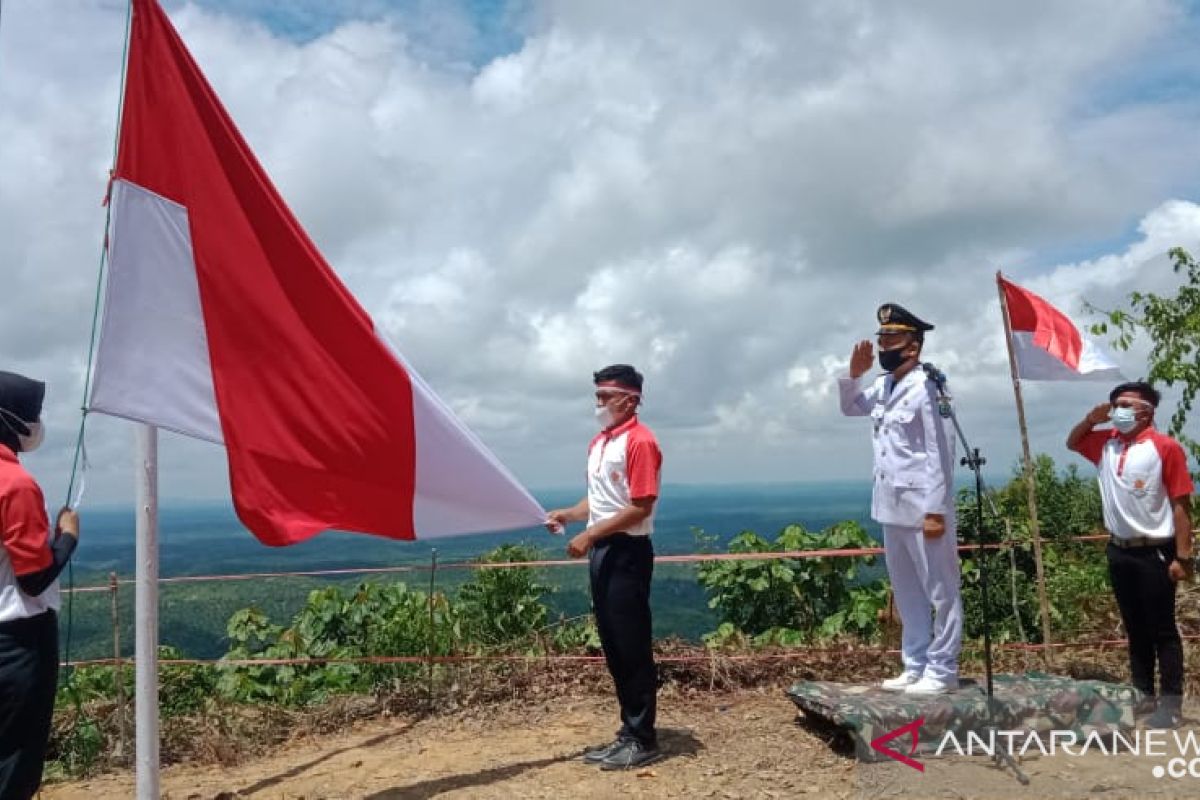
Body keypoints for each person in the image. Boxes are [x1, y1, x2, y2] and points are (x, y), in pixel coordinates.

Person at [838, 304, 962, 695]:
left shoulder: (929, 386)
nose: (883, 345)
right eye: (881, 338)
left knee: (941, 591)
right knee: (907, 590)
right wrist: (853, 375)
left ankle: (942, 670)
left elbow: (941, 450)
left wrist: (936, 509)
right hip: (891, 506)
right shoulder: (884, 385)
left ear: (914, 345)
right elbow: (850, 407)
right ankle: (916, 663)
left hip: (923, 507)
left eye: (891, 338)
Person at [546, 364, 663, 770]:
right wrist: (569, 514)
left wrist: (591, 535)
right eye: (597, 397)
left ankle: (643, 737)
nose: (598, 405)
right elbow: (599, 500)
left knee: (631, 644)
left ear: (629, 399)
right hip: (604, 552)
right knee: (614, 644)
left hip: (627, 553)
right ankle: (628, 733)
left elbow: (641, 505)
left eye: (604, 398)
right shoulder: (600, 443)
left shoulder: (640, 442)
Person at [1067, 381, 1194, 729]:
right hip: (1119, 549)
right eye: (1114, 404)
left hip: (1155, 549)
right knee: (1135, 628)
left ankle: (1170, 705)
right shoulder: (1106, 443)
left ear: (1146, 410)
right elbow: (1073, 441)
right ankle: (1142, 695)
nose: (1117, 410)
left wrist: (1183, 557)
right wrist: (1090, 419)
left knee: (1162, 631)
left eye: (1125, 404)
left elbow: (1181, 503)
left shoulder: (1165, 447)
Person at [0, 371, 80, 799]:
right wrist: (67, 537)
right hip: (18, 641)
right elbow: (34, 580)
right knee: (15, 761)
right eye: (32, 414)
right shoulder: (15, 485)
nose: (36, 424)